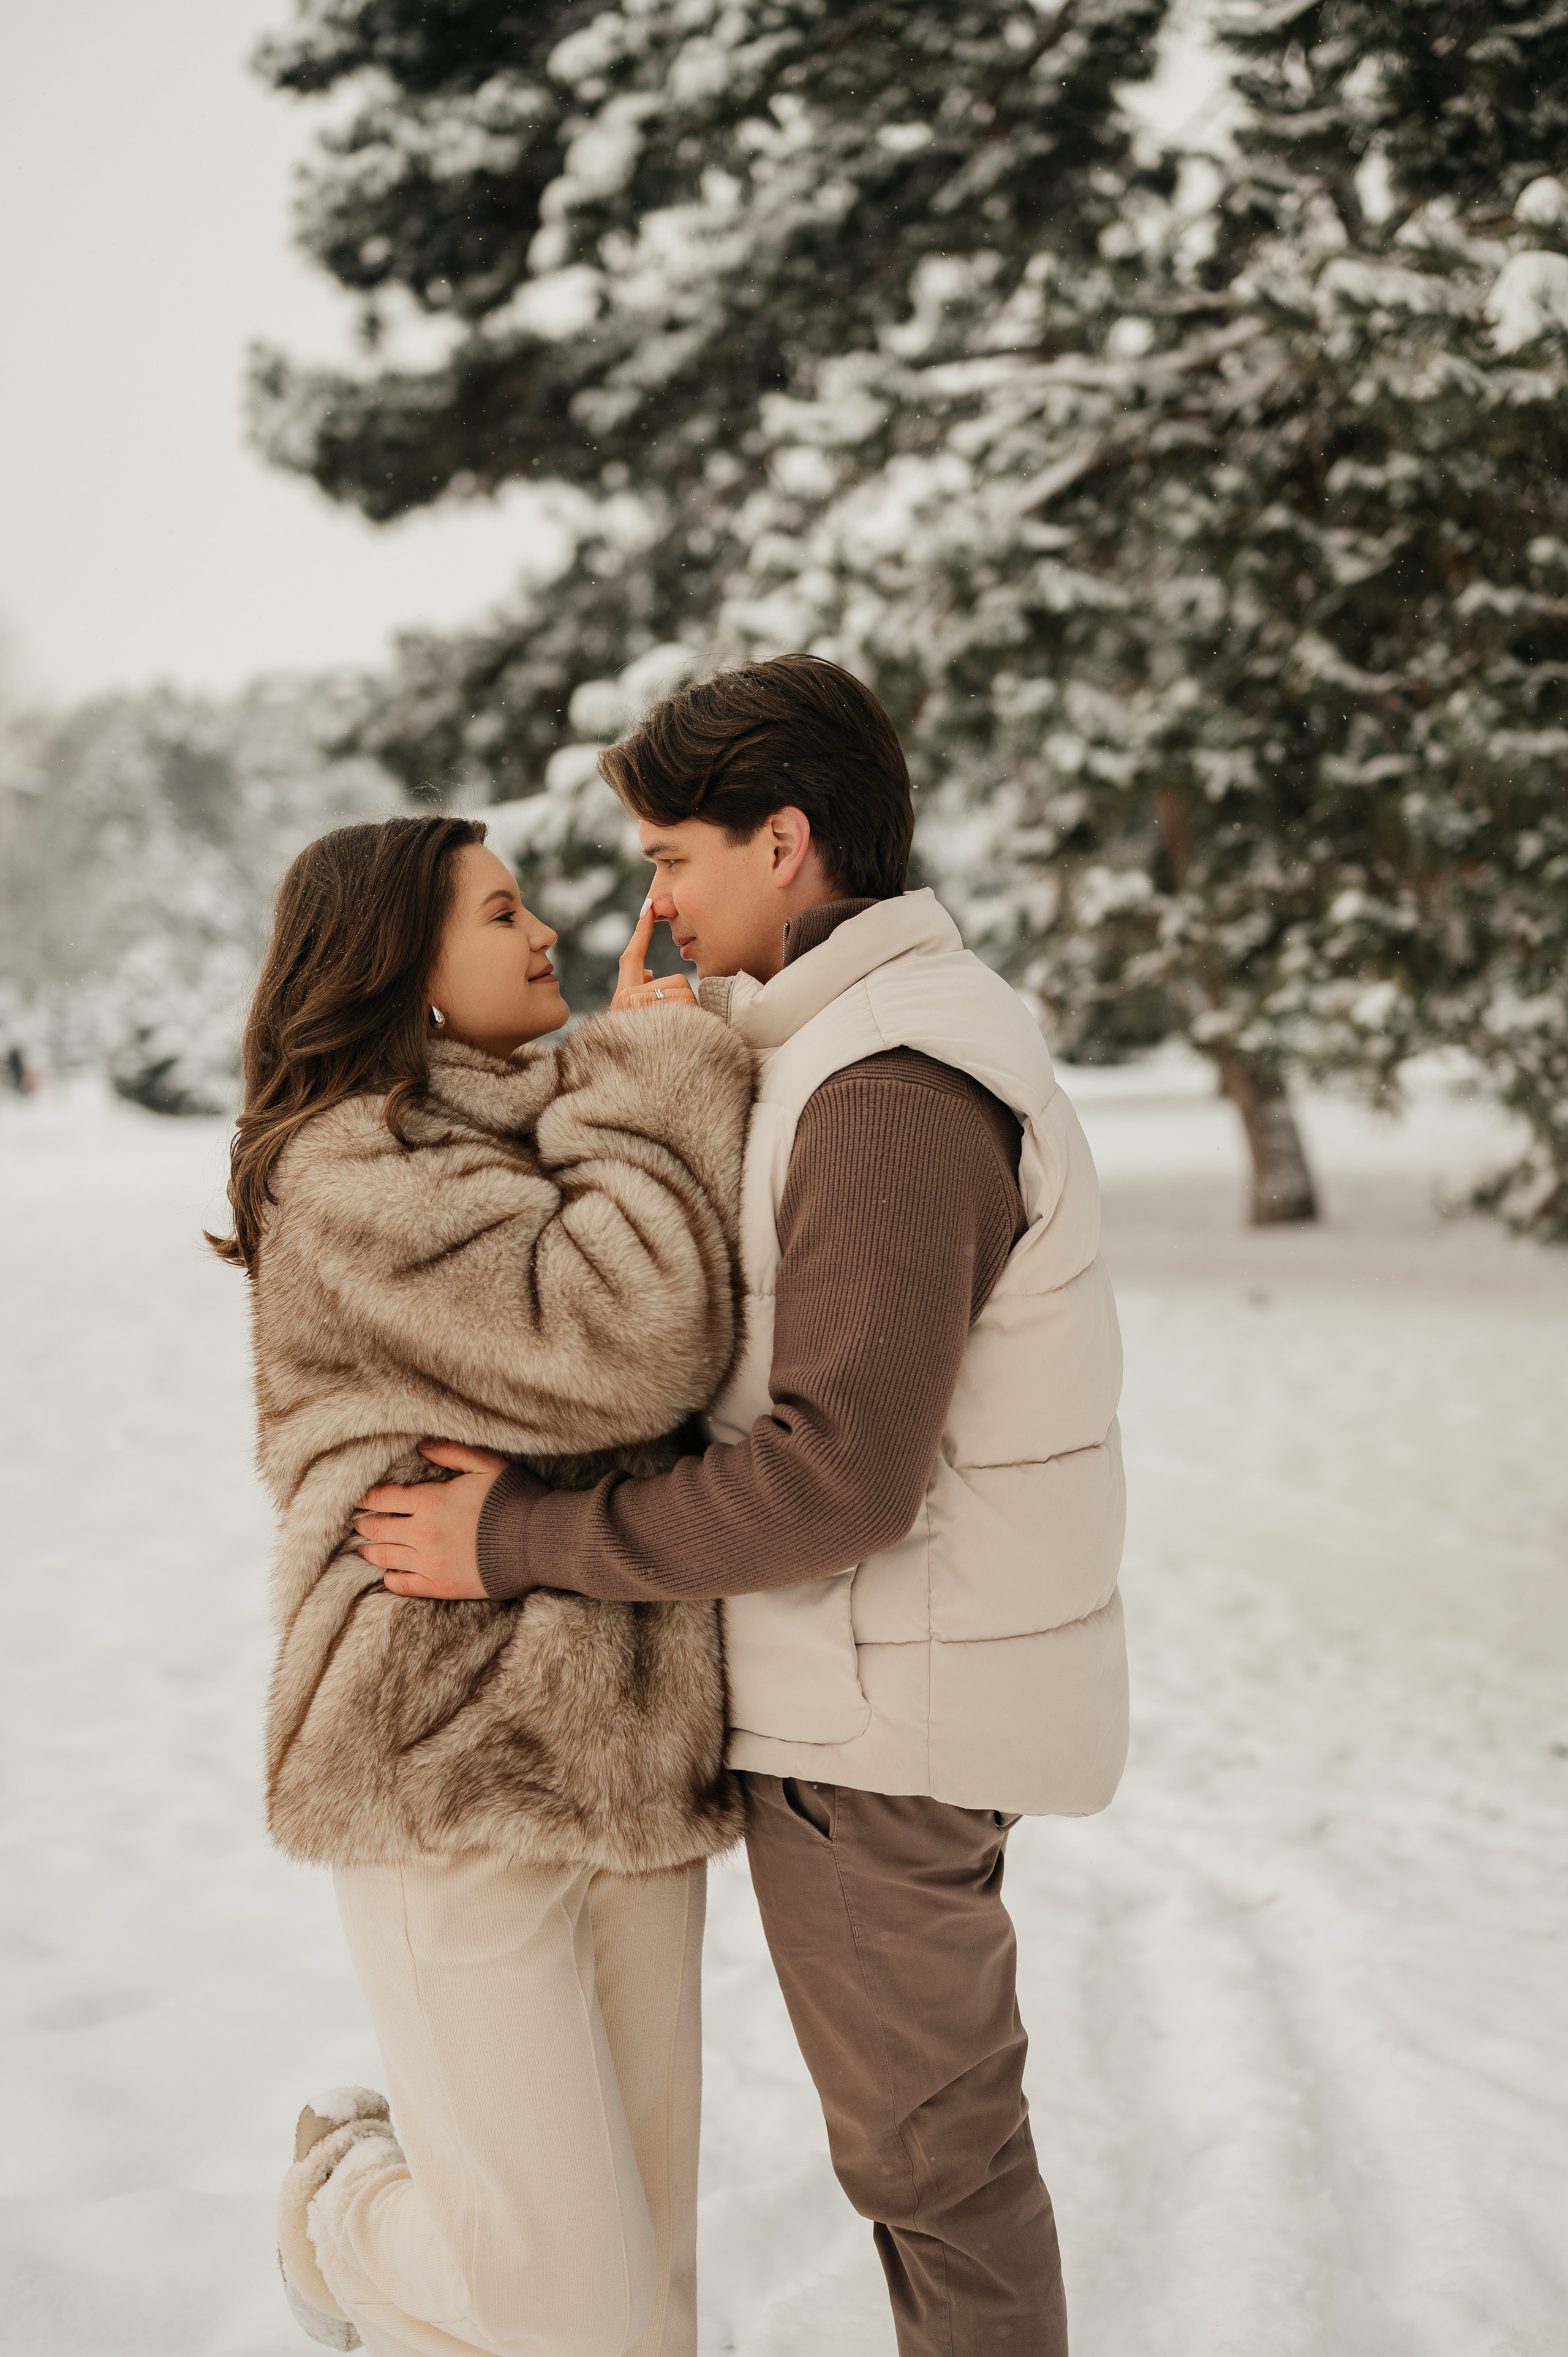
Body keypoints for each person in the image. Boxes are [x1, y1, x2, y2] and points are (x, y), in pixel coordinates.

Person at [354, 657, 1129, 2357]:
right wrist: (675, 1056)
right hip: (891, 1695)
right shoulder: (849, 1049)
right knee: (932, 2157)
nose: (653, 900)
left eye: (670, 858)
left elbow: (840, 1474)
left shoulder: (889, 1093)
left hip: (888, 1724)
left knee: (935, 2165)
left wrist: (518, 1542)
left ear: (783, 844)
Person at [211, 813, 754, 2357]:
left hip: (632, 1742)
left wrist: (615, 1085)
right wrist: (649, 1077)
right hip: (436, 1751)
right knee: (560, 2298)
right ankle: (343, 2206)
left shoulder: (536, 1125)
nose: (546, 936)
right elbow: (634, 1333)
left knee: (643, 2304)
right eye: (500, 913)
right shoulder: (349, 1172)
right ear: (403, 969)